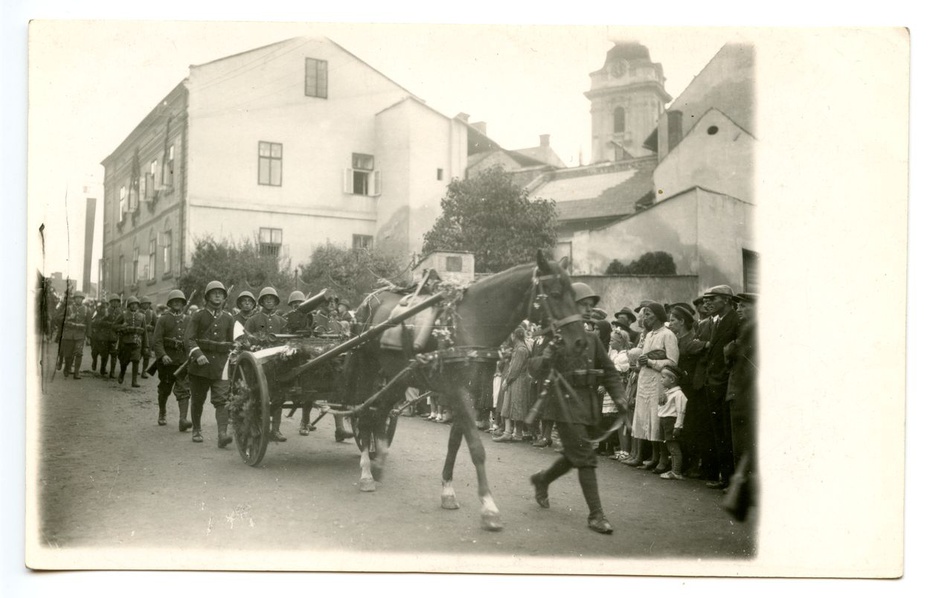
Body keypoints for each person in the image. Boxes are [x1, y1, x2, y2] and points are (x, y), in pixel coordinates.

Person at [526, 281, 628, 535]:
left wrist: (620, 398)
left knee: (575, 455)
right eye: (583, 304)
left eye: (591, 306)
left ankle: (542, 479)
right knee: (585, 456)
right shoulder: (554, 335)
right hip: (563, 404)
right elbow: (534, 368)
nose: (588, 310)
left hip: (589, 405)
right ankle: (596, 515)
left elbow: (609, 372)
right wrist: (548, 354)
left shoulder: (593, 339)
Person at [627, 302, 679, 474]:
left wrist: (651, 362)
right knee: (647, 418)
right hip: (644, 380)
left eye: (648, 314)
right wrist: (641, 362)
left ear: (657, 316)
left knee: (658, 419)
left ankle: (663, 458)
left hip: (658, 381)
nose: (645, 318)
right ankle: (654, 456)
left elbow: (673, 362)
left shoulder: (668, 335)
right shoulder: (649, 335)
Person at [698, 285, 741, 490]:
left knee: (727, 433)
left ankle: (731, 480)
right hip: (713, 383)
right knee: (719, 433)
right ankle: (725, 478)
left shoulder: (735, 320)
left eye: (712, 299)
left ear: (725, 300)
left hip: (724, 383)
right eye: (706, 299)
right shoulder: (717, 322)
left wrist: (722, 376)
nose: (707, 303)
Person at [184, 280, 236, 446]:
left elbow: (234, 341)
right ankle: (197, 429)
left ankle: (222, 434)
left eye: (220, 293)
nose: (217, 296)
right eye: (214, 293)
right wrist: (197, 354)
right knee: (198, 399)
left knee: (222, 400)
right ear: (207, 297)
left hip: (221, 366)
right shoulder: (198, 315)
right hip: (200, 366)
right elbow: (189, 339)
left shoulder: (228, 318)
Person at [724, 292, 758, 519]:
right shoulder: (748, 329)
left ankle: (744, 493)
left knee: (748, 448)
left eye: (744, 305)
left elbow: (745, 364)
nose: (739, 309)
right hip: (743, 396)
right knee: (744, 448)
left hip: (749, 398)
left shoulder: (754, 330)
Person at [245, 287, 288, 441]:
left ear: (276, 302)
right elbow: (246, 339)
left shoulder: (282, 321)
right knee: (258, 394)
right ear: (261, 301)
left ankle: (275, 430)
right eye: (266, 299)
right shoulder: (253, 320)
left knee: (279, 394)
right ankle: (258, 426)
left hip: (279, 364)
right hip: (259, 364)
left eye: (272, 299)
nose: (269, 301)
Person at [152, 289, 192, 430]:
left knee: (184, 390)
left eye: (179, 301)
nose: (177, 303)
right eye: (174, 301)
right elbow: (157, 341)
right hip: (167, 362)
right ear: (169, 303)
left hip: (183, 361)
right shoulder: (163, 319)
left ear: (183, 303)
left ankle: (183, 420)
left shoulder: (188, 319)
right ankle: (162, 412)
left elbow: (192, 340)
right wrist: (163, 355)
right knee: (165, 389)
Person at [493, 327, 532, 443]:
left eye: (512, 335)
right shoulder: (520, 348)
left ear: (515, 336)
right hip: (518, 380)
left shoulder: (520, 349)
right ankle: (514, 433)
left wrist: (507, 380)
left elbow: (515, 369)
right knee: (514, 406)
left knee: (512, 406)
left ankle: (510, 433)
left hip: (517, 381)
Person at [657, 364, 689, 480]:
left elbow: (681, 411)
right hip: (664, 421)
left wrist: (678, 426)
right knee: (667, 446)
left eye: (663, 377)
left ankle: (676, 471)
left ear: (672, 379)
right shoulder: (667, 392)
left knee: (673, 447)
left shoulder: (678, 394)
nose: (661, 379)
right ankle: (672, 469)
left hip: (671, 422)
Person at [57, 290, 92, 379]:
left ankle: (76, 373)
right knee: (68, 354)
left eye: (80, 298)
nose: (78, 300)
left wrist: (88, 337)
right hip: (69, 334)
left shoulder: (87, 310)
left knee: (79, 353)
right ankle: (67, 367)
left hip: (80, 335)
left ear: (82, 299)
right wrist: (69, 317)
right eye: (77, 298)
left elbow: (89, 324)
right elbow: (59, 318)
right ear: (74, 299)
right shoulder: (68, 308)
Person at [116, 296, 148, 387]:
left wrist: (146, 346)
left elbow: (144, 332)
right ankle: (122, 373)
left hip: (137, 342)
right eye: (132, 304)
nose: (134, 306)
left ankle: (134, 381)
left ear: (138, 306)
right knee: (124, 361)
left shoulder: (142, 316)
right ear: (129, 306)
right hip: (126, 342)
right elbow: (114, 326)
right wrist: (122, 326)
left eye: (136, 304)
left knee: (136, 360)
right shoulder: (124, 315)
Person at [140, 296, 155, 379]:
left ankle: (144, 371)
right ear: (141, 305)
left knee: (147, 354)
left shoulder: (152, 313)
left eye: (147, 304)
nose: (145, 305)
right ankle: (136, 369)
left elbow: (156, 325)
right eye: (143, 304)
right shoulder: (138, 312)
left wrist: (151, 328)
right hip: (140, 335)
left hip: (149, 336)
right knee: (138, 353)